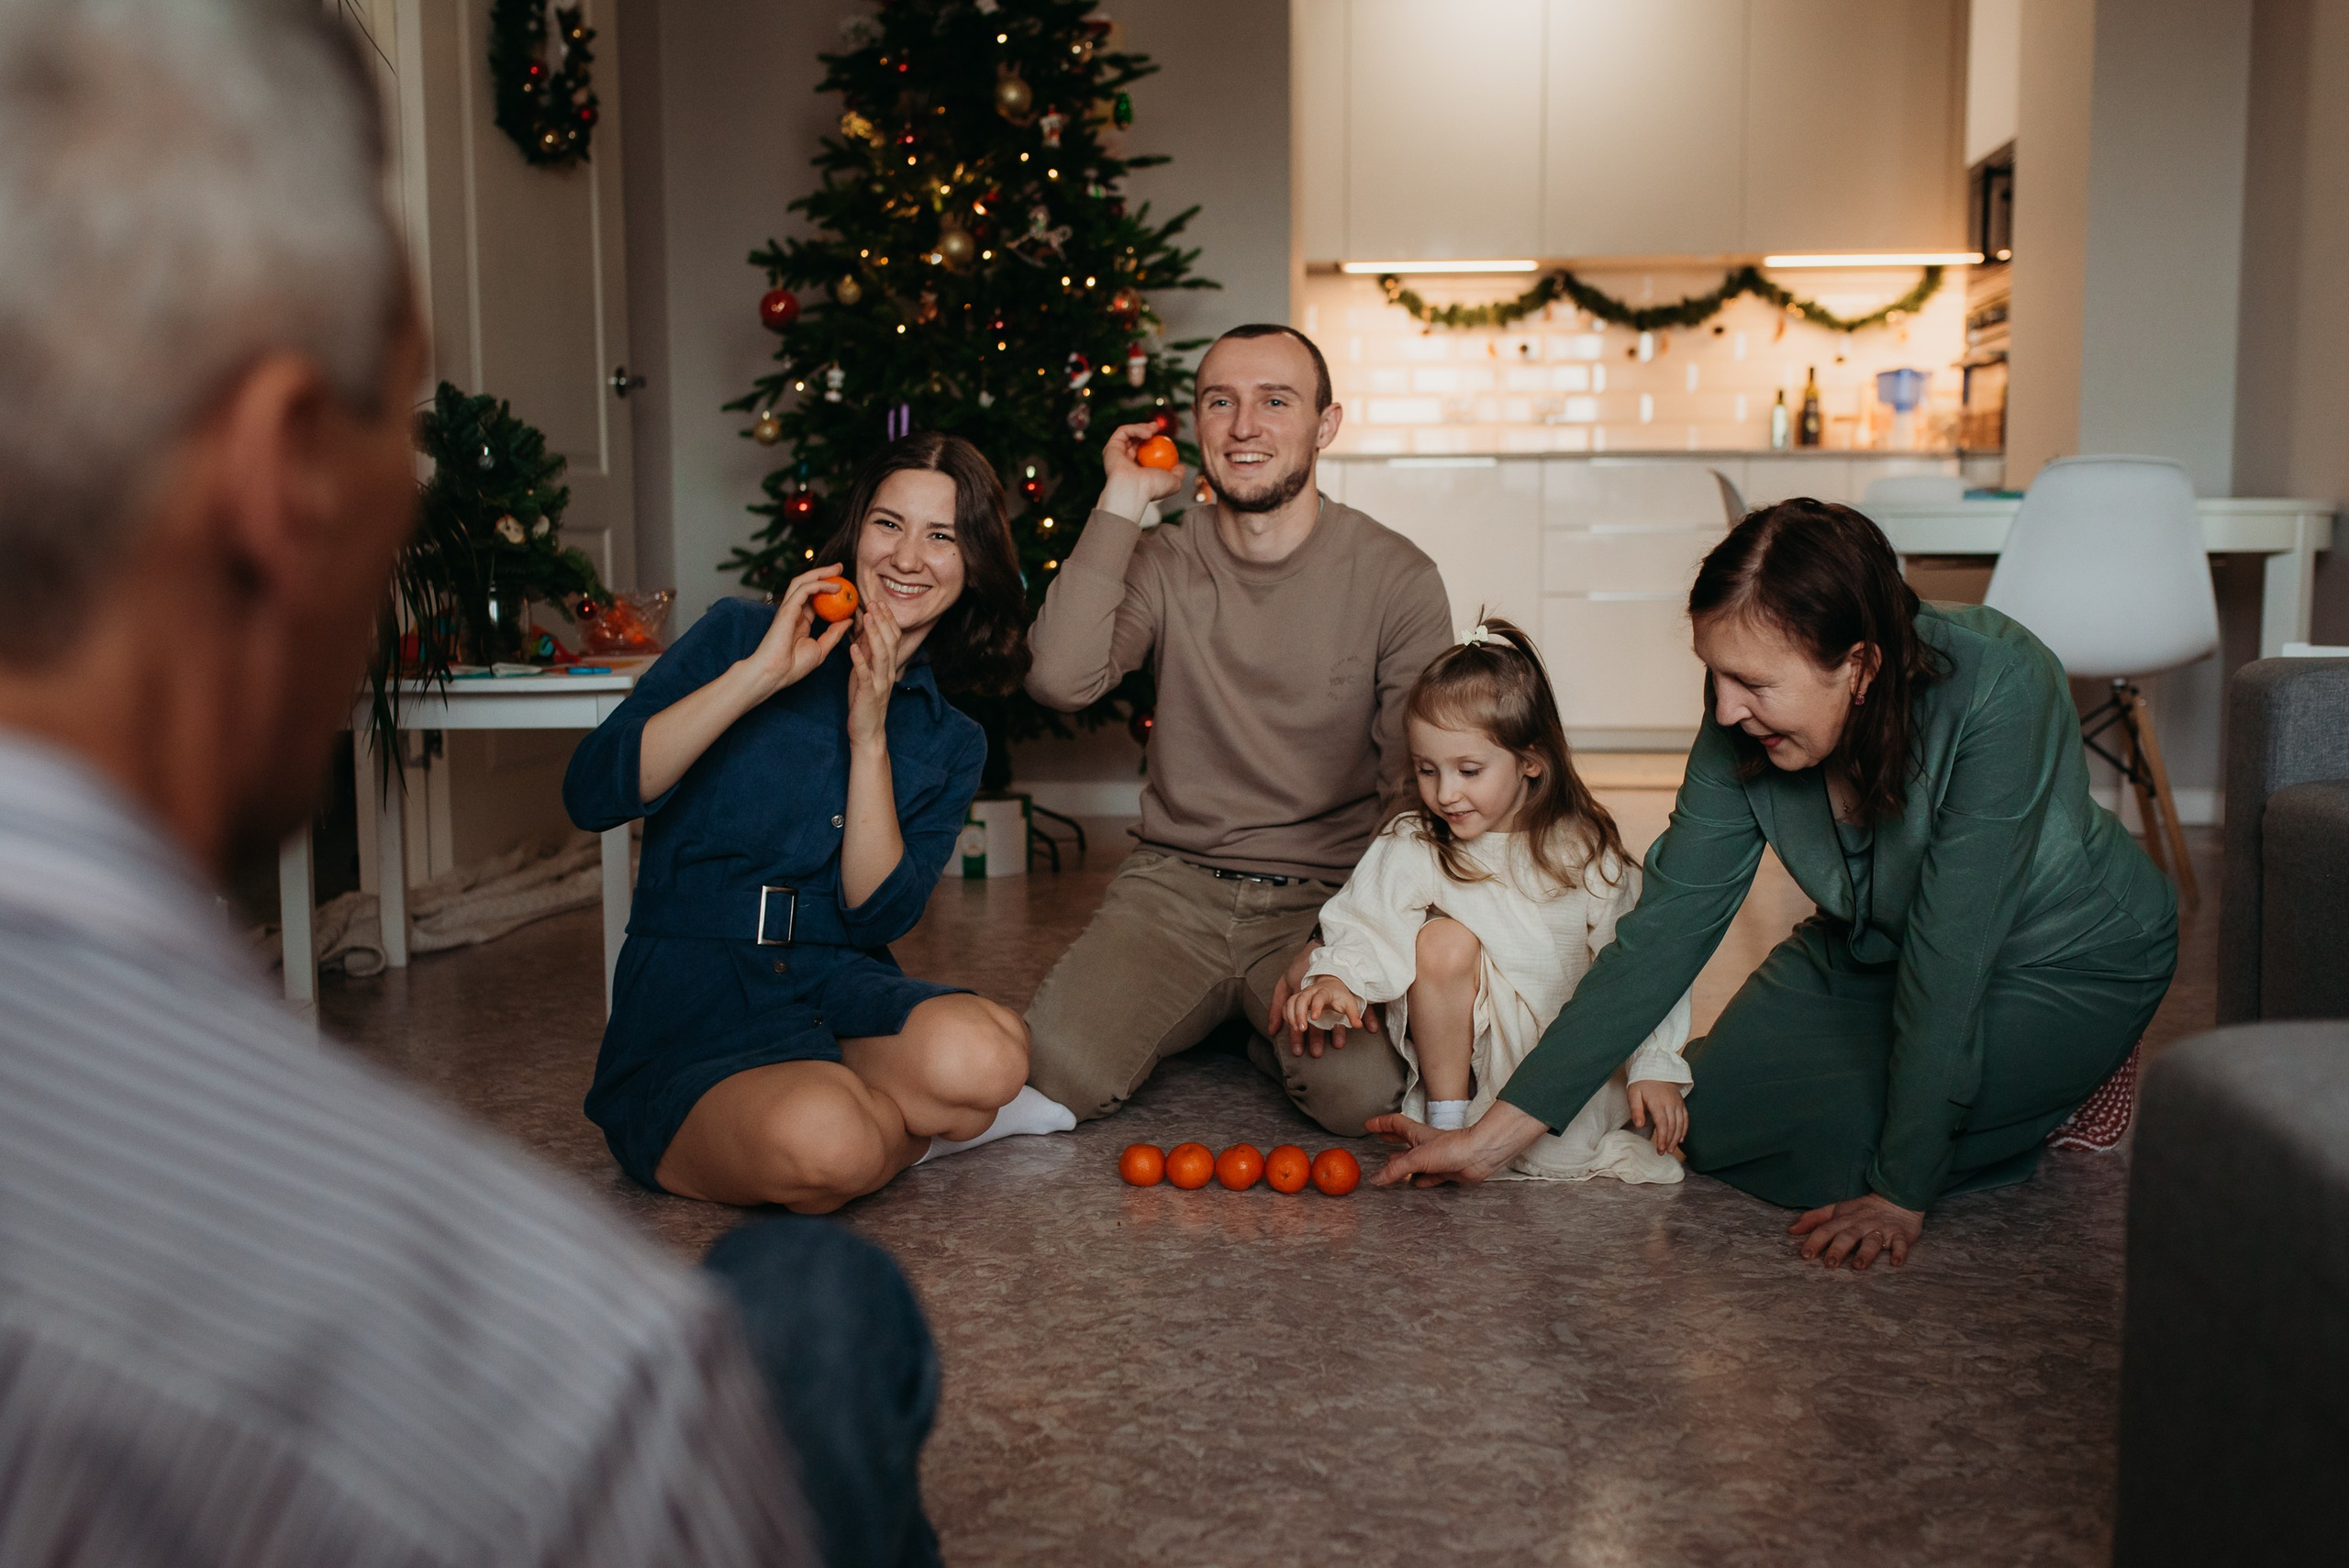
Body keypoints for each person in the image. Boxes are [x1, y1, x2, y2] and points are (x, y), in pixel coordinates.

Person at [0, 5, 933, 1563]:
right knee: (815, 1316)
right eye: (404, 429)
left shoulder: (935, 719)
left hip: (798, 1019)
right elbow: (598, 790)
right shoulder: (552, 1370)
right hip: (688, 1083)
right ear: (283, 468)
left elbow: (880, 903)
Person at [1375, 500, 2177, 1272]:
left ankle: (2079, 1083)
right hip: (1867, 947)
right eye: (1714, 676)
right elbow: (1667, 925)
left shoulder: (2005, 684)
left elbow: (1955, 955)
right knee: (1704, 1119)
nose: (1724, 710)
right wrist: (1491, 1137)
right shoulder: (1741, 703)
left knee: (1857, 1160)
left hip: (2050, 959)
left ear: (1859, 663)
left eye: (1752, 684)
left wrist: (1902, 1194)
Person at [567, 431, 1067, 1215]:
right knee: (832, 1139)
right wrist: (759, 677)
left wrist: (869, 737)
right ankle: (904, 1132)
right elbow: (592, 793)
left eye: (942, 536)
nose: (908, 557)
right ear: (854, 532)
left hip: (835, 984)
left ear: (972, 563)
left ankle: (877, 1110)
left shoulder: (950, 739)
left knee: (992, 1057)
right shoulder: (741, 635)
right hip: (695, 990)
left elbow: (880, 912)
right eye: (888, 523)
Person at [1021, 324, 1457, 1134]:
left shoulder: (1399, 577)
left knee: (1357, 1096)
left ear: (1325, 426)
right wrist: (1122, 498)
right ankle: (1230, 1010)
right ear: (1195, 425)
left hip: (1327, 898)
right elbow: (1058, 677)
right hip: (1174, 887)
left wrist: (1353, 933)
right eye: (1220, 402)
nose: (1244, 426)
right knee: (1058, 1075)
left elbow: (1416, 786)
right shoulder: (1164, 559)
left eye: (1275, 402)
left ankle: (1243, 1022)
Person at [1285, 617, 1693, 1183]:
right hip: (1468, 1044)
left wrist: (1654, 1061)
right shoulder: (1417, 842)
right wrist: (1339, 979)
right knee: (1443, 939)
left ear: (1531, 761)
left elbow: (1641, 962)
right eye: (1428, 770)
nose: (1445, 793)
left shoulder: (1584, 850)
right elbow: (1367, 918)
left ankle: (1517, 1123)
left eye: (1468, 770)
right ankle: (1448, 1119)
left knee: (1568, 1137)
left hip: (1562, 1043)